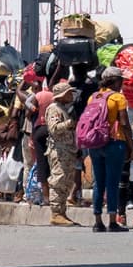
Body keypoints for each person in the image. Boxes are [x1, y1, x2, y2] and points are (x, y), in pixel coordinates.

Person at [87, 67, 133, 233]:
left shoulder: (93, 97)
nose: (122, 83)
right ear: (115, 81)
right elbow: (124, 124)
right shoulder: (118, 98)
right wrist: (132, 147)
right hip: (115, 142)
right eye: (121, 80)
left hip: (95, 144)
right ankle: (113, 221)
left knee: (98, 183)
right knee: (112, 182)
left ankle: (98, 221)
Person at [45, 83, 78, 226]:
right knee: (58, 181)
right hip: (59, 151)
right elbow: (54, 128)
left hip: (67, 150)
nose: (71, 96)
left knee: (66, 182)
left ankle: (62, 212)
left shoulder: (64, 109)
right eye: (69, 93)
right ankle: (56, 213)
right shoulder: (54, 109)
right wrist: (70, 123)